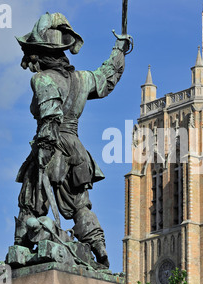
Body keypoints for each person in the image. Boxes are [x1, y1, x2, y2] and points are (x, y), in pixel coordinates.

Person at [13, 12, 132, 268]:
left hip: (53, 144)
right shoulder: (81, 79)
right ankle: (100, 251)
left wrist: (44, 151)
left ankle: (20, 251)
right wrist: (119, 50)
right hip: (77, 149)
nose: (30, 62)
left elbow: (50, 115)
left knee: (31, 199)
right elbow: (107, 77)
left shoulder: (42, 79)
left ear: (41, 52)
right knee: (80, 204)